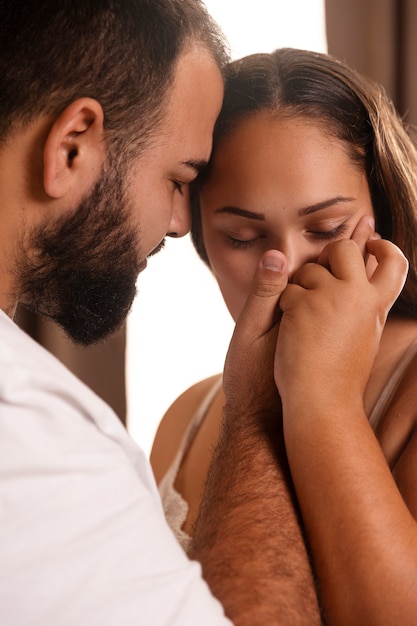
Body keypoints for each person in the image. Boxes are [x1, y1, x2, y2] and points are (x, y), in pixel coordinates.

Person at [0, 3, 340, 624]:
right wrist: (256, 406)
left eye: (325, 225)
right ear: (72, 146)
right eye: (178, 180)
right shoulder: (29, 430)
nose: (180, 226)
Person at [150, 47, 417, 623]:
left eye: (325, 228)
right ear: (199, 235)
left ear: (383, 212)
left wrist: (321, 395)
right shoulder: (186, 417)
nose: (285, 265)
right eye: (243, 237)